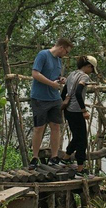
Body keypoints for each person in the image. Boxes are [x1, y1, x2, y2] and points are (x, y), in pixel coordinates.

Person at [29, 37, 73, 169]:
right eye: (66, 52)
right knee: (39, 128)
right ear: (61, 48)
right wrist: (51, 83)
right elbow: (35, 74)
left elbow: (55, 77)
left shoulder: (58, 61)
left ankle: (54, 157)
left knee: (56, 126)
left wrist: (61, 80)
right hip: (40, 98)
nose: (66, 55)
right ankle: (35, 157)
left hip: (54, 98)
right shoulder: (43, 55)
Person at [60, 55, 98, 176]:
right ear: (88, 66)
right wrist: (84, 111)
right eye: (92, 69)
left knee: (77, 136)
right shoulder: (84, 76)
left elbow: (64, 91)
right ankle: (80, 169)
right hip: (76, 111)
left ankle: (65, 158)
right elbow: (77, 93)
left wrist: (63, 105)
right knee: (82, 141)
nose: (91, 72)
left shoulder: (72, 74)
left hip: (68, 111)